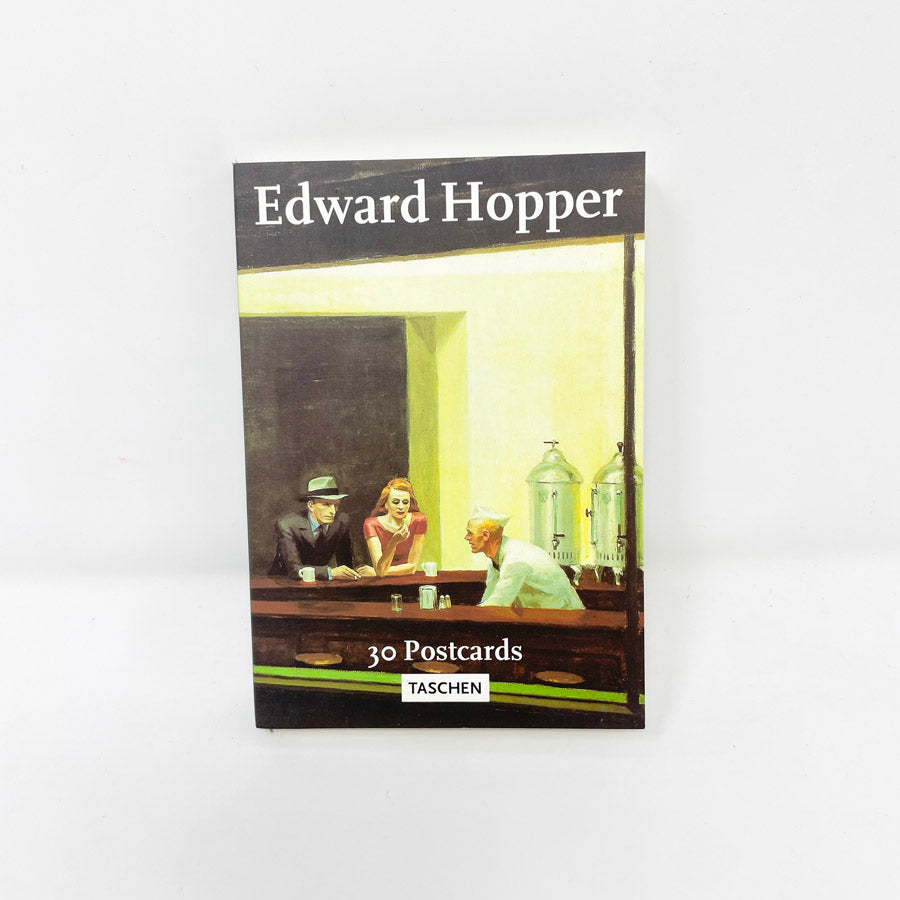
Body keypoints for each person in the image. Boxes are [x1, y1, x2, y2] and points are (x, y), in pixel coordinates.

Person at [464, 505, 584, 609]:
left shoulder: (515, 559)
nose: (466, 538)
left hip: (565, 616)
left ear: (486, 535)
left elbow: (499, 603)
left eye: (470, 533)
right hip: (541, 615)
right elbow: (490, 598)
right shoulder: (495, 559)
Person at [269, 476, 376, 581]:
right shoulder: (288, 524)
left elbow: (345, 563)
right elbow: (294, 569)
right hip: (284, 581)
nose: (333, 511)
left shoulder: (341, 522)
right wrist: (330, 572)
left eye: (336, 505)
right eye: (326, 504)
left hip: (321, 582)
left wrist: (355, 572)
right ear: (311, 505)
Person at [364, 477, 428, 577]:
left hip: (407, 578)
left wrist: (375, 572)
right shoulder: (371, 524)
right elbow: (381, 571)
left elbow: (412, 567)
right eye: (396, 502)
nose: (401, 507)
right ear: (386, 504)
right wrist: (393, 542)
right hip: (381, 581)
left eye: (405, 502)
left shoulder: (419, 520)